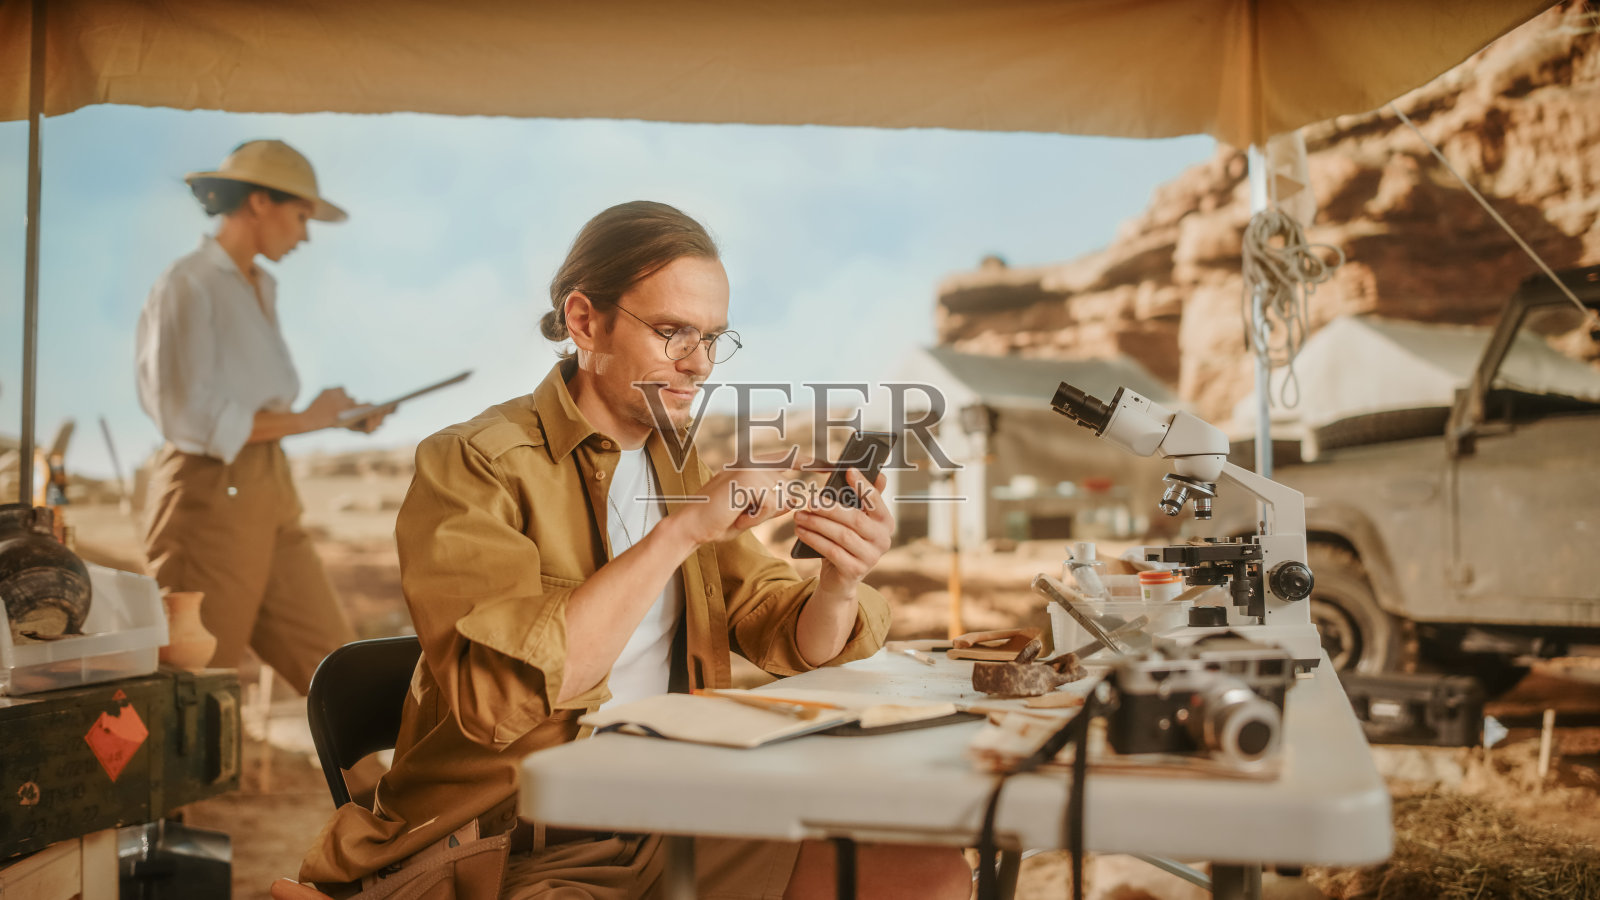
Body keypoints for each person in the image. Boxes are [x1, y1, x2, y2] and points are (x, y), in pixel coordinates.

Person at [292, 201, 971, 899]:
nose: (698, 363)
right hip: (515, 846)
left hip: (675, 816)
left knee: (933, 877)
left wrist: (840, 578)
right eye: (673, 332)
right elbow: (492, 703)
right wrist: (679, 533)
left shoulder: (679, 465)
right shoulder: (475, 464)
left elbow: (787, 632)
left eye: (712, 337)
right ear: (585, 321)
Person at [137, 139, 389, 696]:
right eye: (301, 216)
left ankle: (381, 787)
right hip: (208, 500)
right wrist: (310, 420)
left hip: (270, 490)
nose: (305, 234)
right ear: (258, 203)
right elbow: (185, 417)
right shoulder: (189, 284)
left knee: (341, 672)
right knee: (191, 691)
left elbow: (257, 409)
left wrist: (334, 417)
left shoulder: (259, 287)